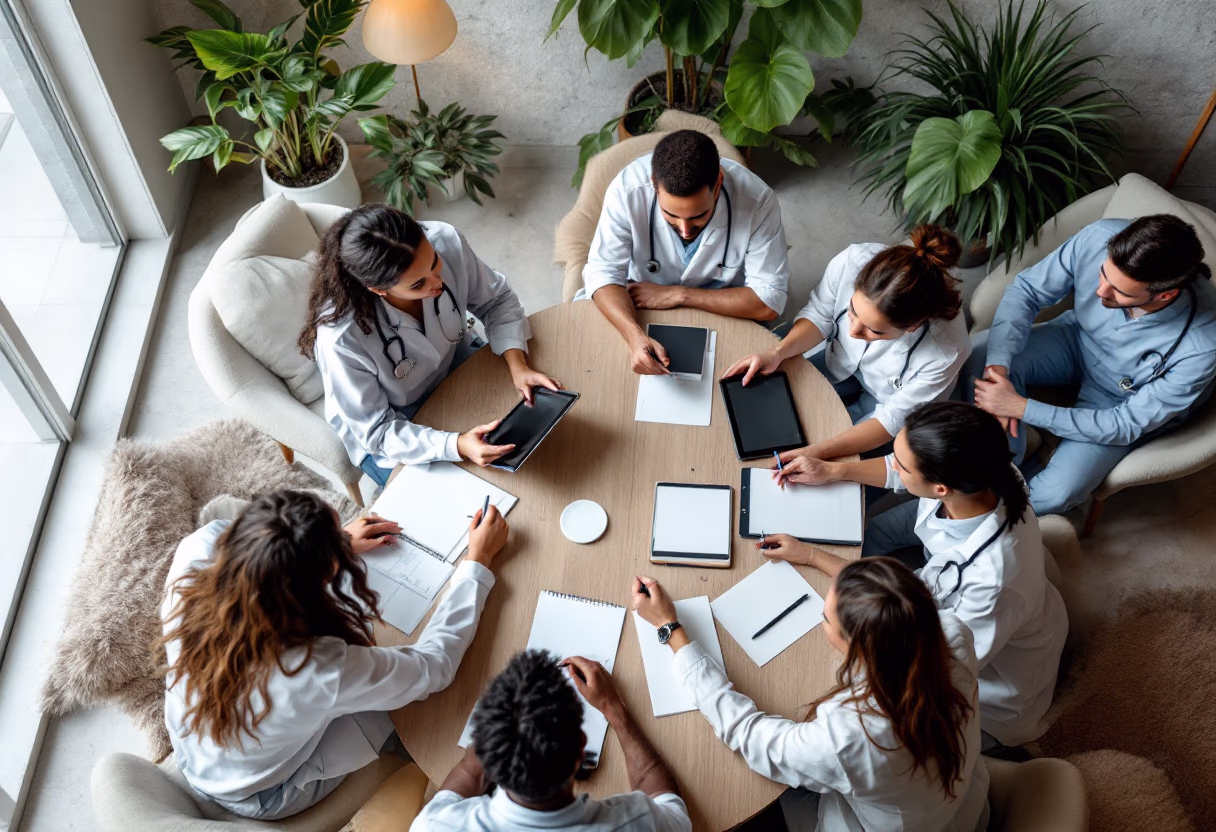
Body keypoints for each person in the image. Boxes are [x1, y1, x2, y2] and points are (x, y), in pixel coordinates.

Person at [157, 490, 509, 820]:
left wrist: (329, 545)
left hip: (199, 742)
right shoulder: (313, 668)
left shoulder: (197, 549)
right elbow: (435, 667)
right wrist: (477, 563)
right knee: (408, 707)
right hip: (262, 791)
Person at [771, 402, 1068, 752]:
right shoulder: (983, 472)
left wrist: (811, 556)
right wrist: (832, 471)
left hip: (991, 686)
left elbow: (937, 664)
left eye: (901, 465)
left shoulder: (992, 582)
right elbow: (901, 471)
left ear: (940, 487)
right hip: (952, 567)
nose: (892, 465)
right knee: (871, 534)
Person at [632, 560, 989, 832]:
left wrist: (670, 629)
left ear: (859, 649)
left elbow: (747, 733)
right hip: (956, 795)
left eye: (825, 617)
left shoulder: (852, 739)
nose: (822, 620)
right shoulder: (949, 632)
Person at [968, 214, 1216, 515]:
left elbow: (1124, 424)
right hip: (1075, 339)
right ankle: (1002, 460)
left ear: (1165, 295)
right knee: (982, 351)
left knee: (1059, 491)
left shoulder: (1203, 344)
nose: (1100, 291)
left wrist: (1021, 408)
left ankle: (980, 514)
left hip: (1119, 401)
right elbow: (1028, 291)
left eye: (1120, 291)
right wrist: (999, 371)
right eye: (1103, 274)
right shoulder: (1100, 235)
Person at [299, 203, 561, 488]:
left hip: (453, 368)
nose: (437, 283)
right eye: (417, 284)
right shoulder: (341, 338)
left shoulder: (445, 239)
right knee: (468, 499)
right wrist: (457, 445)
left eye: (435, 263)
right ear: (377, 289)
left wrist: (518, 366)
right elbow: (377, 432)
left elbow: (495, 301)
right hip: (392, 427)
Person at [724, 225, 971, 462]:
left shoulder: (945, 352)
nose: (852, 332)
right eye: (852, 312)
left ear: (913, 326)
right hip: (838, 360)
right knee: (776, 408)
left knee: (821, 441)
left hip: (885, 399)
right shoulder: (853, 260)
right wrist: (777, 352)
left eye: (873, 330)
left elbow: (889, 420)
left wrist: (817, 451)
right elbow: (820, 314)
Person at [582, 129, 790, 375]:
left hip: (722, 313)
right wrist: (634, 336)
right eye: (670, 215)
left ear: (718, 184)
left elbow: (769, 301)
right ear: (654, 185)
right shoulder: (626, 190)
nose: (684, 229)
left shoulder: (757, 201)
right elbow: (602, 272)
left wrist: (680, 295)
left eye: (698, 215)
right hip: (639, 304)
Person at [410, 650, 691, 832]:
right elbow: (671, 805)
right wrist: (613, 709)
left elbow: (469, 774)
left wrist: (500, 720)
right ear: (582, 746)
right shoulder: (638, 823)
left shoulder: (436, 825)